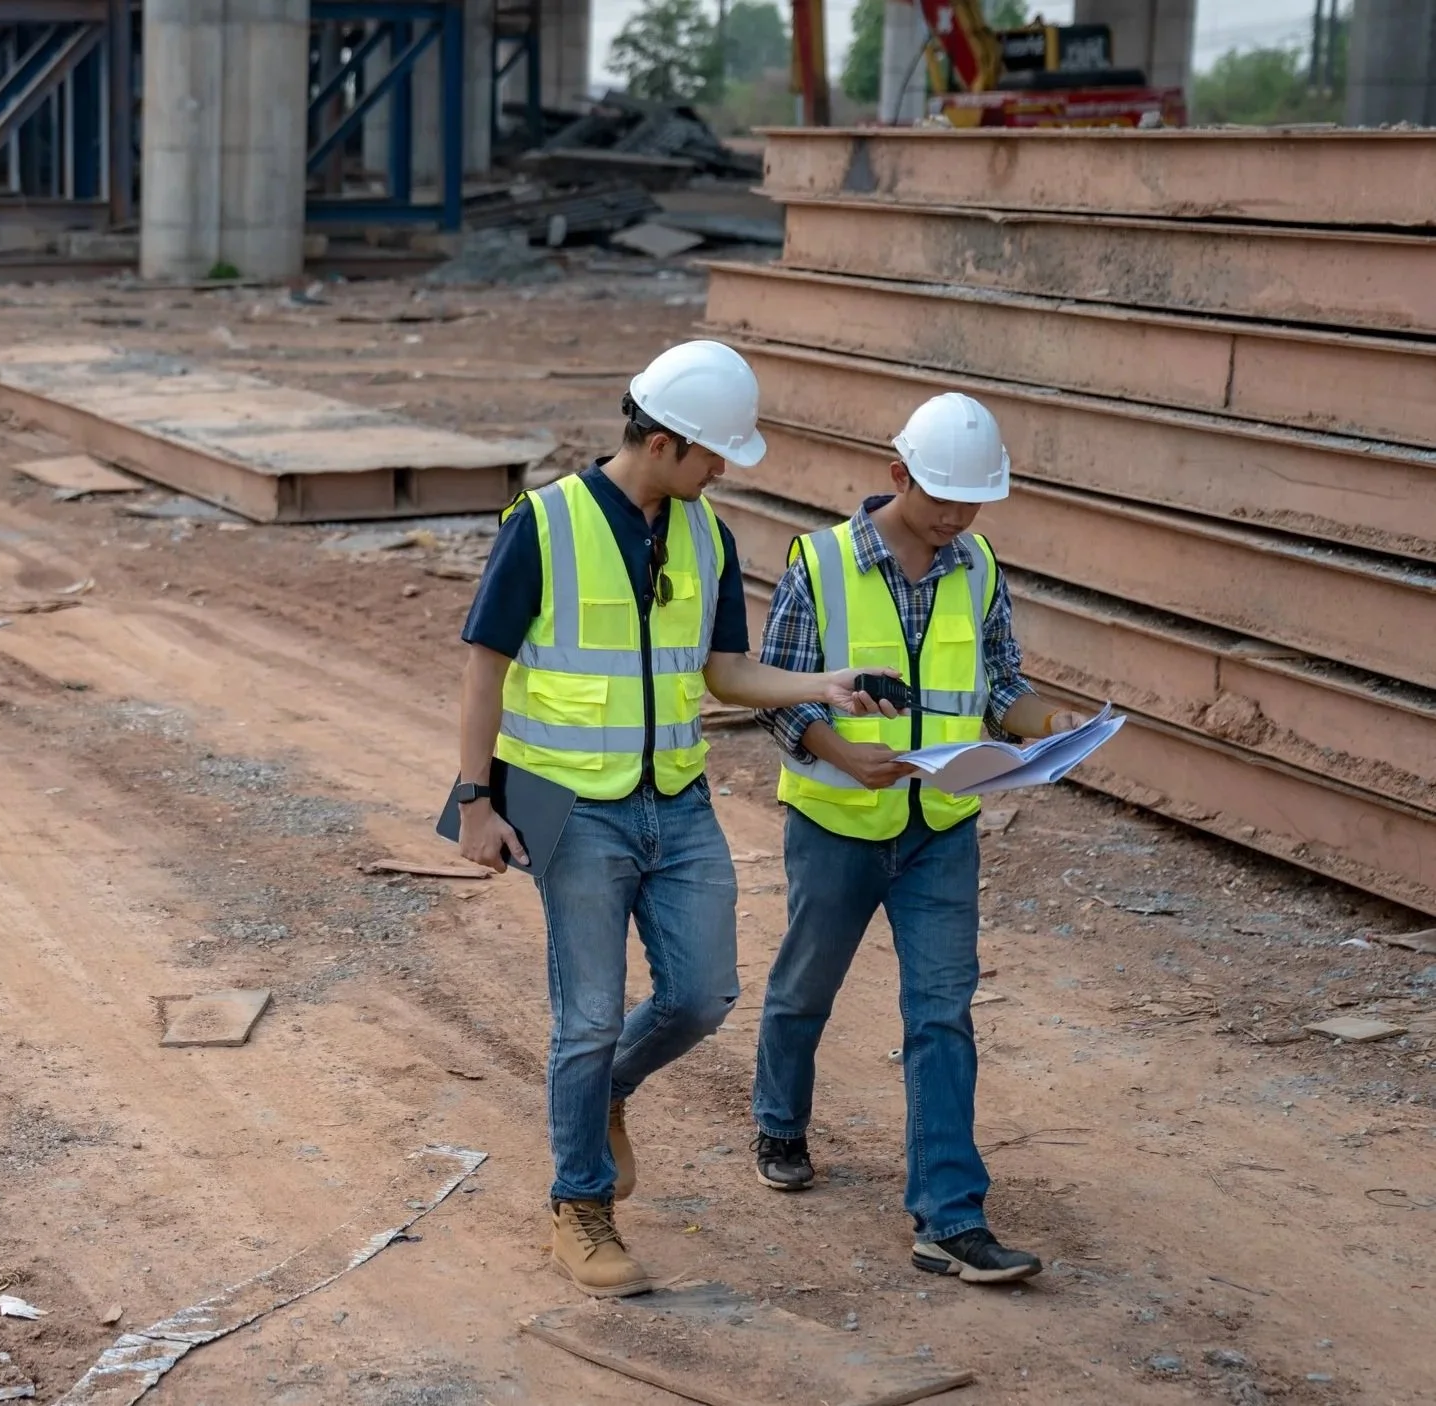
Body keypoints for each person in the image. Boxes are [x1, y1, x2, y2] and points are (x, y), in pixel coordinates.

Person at [453, 340, 888, 1298]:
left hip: (676, 800)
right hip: (564, 803)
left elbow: (724, 672)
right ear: (660, 443)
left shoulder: (705, 534)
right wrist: (474, 802)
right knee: (588, 1014)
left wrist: (827, 682)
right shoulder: (547, 524)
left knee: (702, 995)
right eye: (713, 454)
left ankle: (608, 1092)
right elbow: (483, 664)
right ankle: (581, 1205)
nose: (723, 470)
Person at [749, 392, 1090, 1285]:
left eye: (972, 502)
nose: (955, 517)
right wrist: (838, 750)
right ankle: (780, 1120)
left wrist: (1047, 723)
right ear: (897, 474)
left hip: (941, 826)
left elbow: (999, 683)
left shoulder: (976, 565)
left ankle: (949, 1218)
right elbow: (780, 695)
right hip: (837, 824)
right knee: (804, 990)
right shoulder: (819, 563)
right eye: (942, 497)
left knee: (941, 1014)